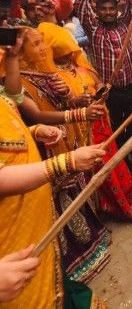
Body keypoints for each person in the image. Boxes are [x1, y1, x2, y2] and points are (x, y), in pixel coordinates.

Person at [0, 32, 106, 308]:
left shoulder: (45, 73)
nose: (42, 49)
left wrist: (33, 131)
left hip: (30, 231)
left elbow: (13, 107)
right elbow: (29, 108)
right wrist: (65, 162)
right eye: (34, 45)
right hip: (11, 256)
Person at [36, 22, 132, 221]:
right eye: (63, 52)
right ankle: (103, 208)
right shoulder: (52, 78)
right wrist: (75, 102)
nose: (70, 55)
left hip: (100, 122)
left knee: (110, 161)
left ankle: (119, 200)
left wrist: (101, 92)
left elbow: (98, 84)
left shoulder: (81, 67)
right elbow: (54, 108)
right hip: (79, 131)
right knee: (94, 166)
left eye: (70, 51)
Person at [74, 0, 132, 185]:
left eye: (111, 8)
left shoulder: (126, 24)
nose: (108, 12)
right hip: (110, 93)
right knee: (116, 130)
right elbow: (78, 4)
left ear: (117, 10)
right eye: (103, 9)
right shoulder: (93, 29)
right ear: (96, 12)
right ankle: (122, 169)